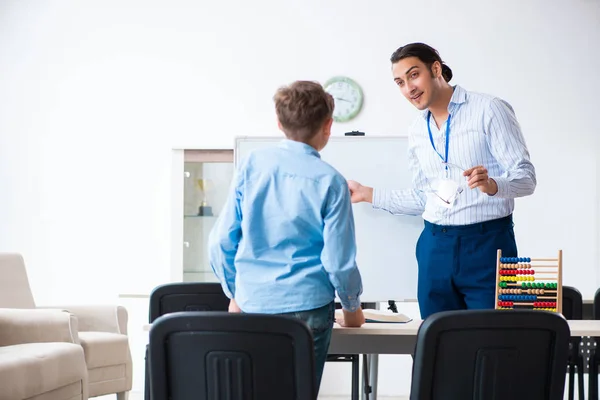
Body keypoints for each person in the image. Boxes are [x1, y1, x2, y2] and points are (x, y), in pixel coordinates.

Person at [348, 42, 536, 320]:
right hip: (434, 246)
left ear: (436, 68)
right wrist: (367, 193)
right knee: (439, 344)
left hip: (488, 244)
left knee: (494, 342)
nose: (408, 88)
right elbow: (424, 197)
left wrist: (493, 185)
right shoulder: (416, 130)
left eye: (414, 75)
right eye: (400, 82)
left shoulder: (489, 109)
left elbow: (526, 178)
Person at [208, 80, 365, 391]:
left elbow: (221, 241)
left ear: (279, 123)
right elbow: (338, 261)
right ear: (328, 126)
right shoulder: (332, 182)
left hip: (254, 305)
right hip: (309, 309)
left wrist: (236, 293)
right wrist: (352, 309)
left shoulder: (252, 165)